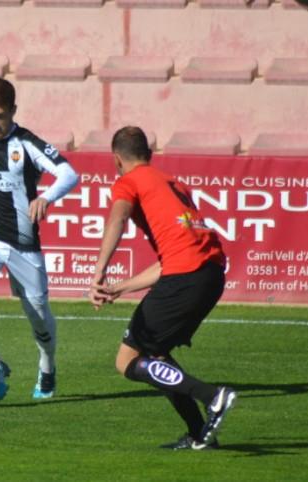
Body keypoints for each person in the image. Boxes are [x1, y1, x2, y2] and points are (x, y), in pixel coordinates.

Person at [89, 126, 235, 450]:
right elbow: (173, 259)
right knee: (156, 356)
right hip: (209, 276)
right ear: (150, 155)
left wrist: (98, 274)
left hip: (187, 276)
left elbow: (117, 219)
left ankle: (213, 397)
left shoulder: (129, 181)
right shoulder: (174, 184)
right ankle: (200, 434)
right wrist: (121, 287)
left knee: (127, 361)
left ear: (116, 159)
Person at [0, 77, 79, 402]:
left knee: (38, 315)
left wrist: (47, 198)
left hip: (22, 244)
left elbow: (69, 174)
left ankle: (47, 363)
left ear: (13, 110)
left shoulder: (27, 144)